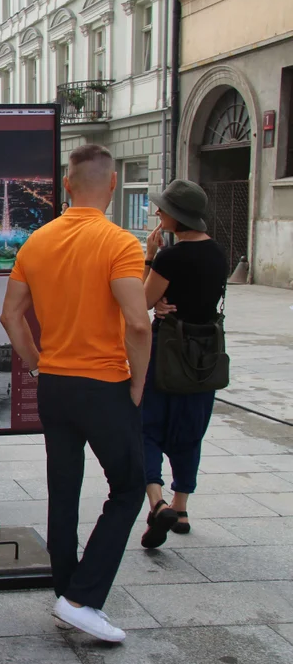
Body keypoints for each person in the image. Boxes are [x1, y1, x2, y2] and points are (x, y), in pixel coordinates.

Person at [0, 144, 150, 643]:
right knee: (129, 487)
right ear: (111, 185)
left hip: (55, 385)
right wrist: (138, 382)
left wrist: (38, 363)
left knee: (64, 488)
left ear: (67, 185)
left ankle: (67, 592)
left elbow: (10, 317)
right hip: (103, 384)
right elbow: (137, 323)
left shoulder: (36, 242)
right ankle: (82, 598)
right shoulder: (120, 242)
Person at [139, 180, 227, 548]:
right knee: (191, 430)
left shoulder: (170, 257)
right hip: (204, 355)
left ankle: (158, 503)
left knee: (147, 426)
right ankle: (183, 506)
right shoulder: (219, 254)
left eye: (162, 209)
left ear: (176, 217)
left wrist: (149, 254)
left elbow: (143, 301)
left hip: (167, 350)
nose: (158, 214)